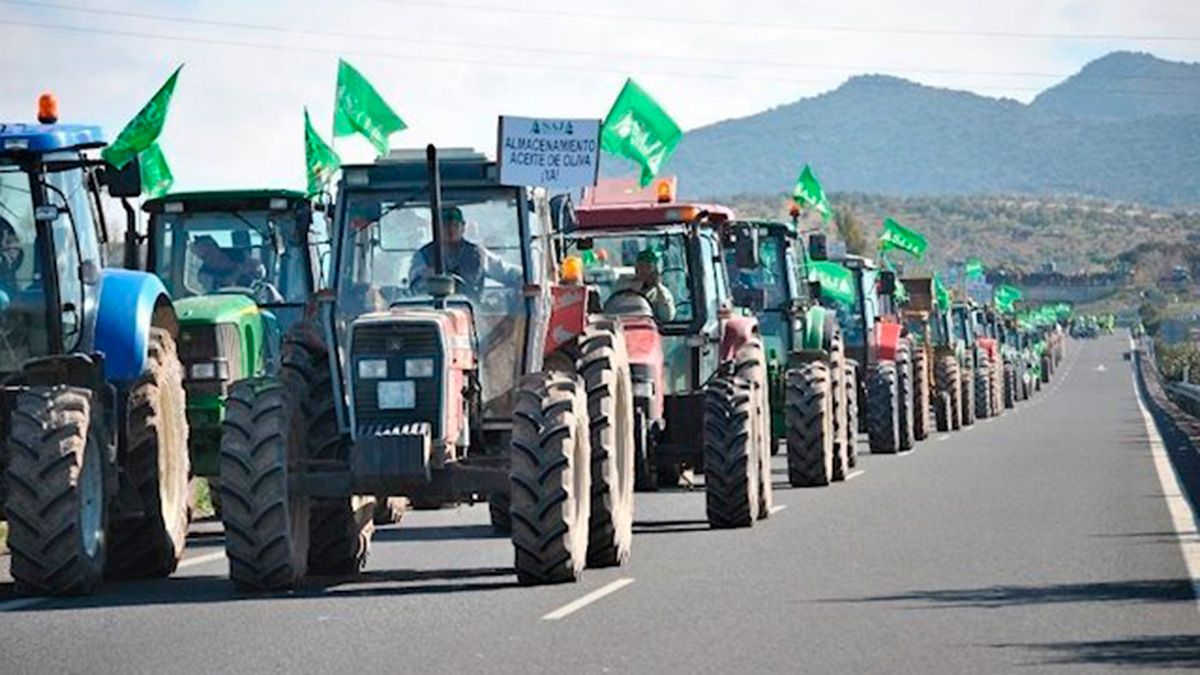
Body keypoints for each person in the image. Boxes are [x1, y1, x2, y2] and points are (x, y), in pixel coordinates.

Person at [407, 206, 521, 297]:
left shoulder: (477, 254)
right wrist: (426, 276)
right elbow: (414, 284)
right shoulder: (423, 255)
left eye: (455, 225)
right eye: (446, 226)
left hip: (473, 311)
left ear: (463, 227)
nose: (451, 230)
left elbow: (507, 271)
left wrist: (523, 278)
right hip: (432, 309)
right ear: (436, 227)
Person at [616, 248, 675, 322]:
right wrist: (636, 288)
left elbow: (667, 316)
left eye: (648, 267)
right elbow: (614, 306)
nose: (643, 270)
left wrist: (658, 286)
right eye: (641, 266)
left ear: (655, 271)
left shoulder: (662, 292)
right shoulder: (625, 284)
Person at [192, 236, 265, 291]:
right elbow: (223, 286)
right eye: (203, 257)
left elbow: (259, 270)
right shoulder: (204, 274)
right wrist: (240, 270)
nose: (208, 259)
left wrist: (256, 268)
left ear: (215, 247)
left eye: (208, 252)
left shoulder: (240, 254)